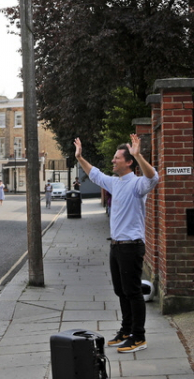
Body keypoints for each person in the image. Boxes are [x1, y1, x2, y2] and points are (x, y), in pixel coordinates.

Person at [74, 134, 159, 353]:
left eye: (117, 158)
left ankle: (139, 337)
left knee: (133, 292)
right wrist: (80, 157)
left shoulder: (138, 184)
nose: (113, 161)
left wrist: (139, 154)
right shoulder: (115, 182)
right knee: (121, 291)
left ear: (128, 161)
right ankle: (126, 330)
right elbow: (95, 174)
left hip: (131, 245)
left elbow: (153, 177)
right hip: (117, 246)